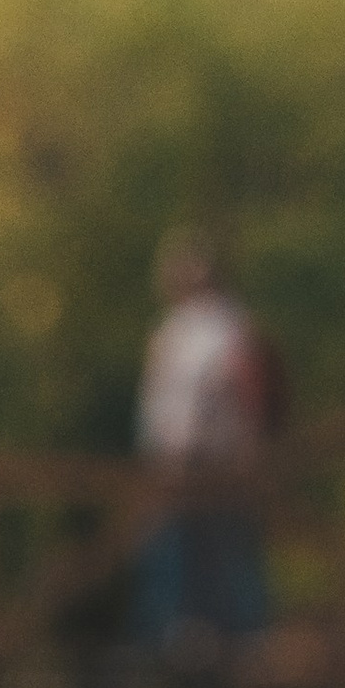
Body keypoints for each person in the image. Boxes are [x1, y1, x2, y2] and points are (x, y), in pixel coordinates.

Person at [133, 233, 282, 659]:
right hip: (173, 462)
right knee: (175, 556)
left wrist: (251, 447)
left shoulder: (226, 325)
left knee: (226, 551)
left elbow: (248, 385)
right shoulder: (175, 328)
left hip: (216, 461)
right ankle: (177, 648)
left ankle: (247, 647)